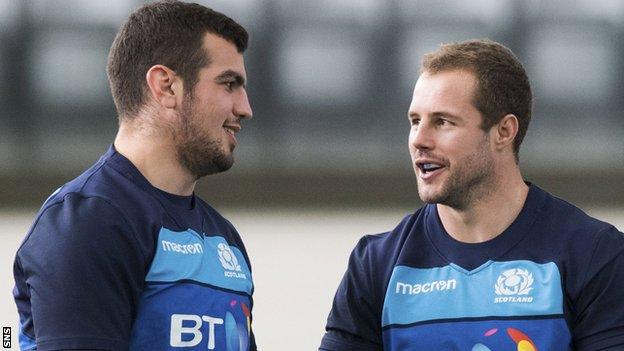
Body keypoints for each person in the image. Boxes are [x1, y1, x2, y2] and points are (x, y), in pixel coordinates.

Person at [319, 39, 624, 350]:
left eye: (443, 122)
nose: (419, 140)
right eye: (415, 121)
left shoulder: (594, 254)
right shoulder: (376, 264)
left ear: (504, 132)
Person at [13, 1, 256, 350]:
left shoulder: (224, 238)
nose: (244, 108)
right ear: (166, 86)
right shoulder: (88, 221)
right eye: (229, 84)